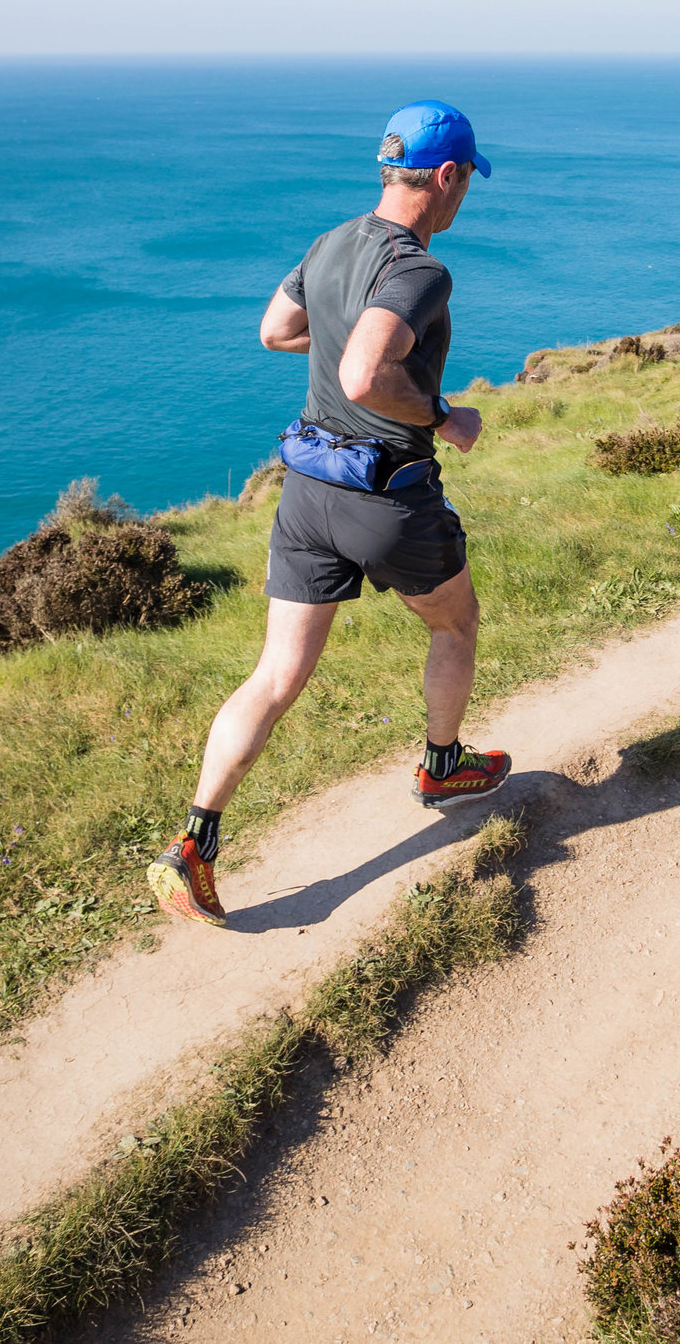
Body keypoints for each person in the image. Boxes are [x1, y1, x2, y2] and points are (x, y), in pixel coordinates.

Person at [149, 100, 513, 930]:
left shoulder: (331, 241)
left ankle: (194, 843)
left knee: (275, 676)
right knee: (455, 623)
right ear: (448, 178)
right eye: (467, 185)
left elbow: (277, 329)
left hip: (307, 489)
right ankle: (442, 766)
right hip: (388, 495)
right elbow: (360, 374)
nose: (464, 201)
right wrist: (441, 415)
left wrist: (342, 335)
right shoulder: (419, 268)